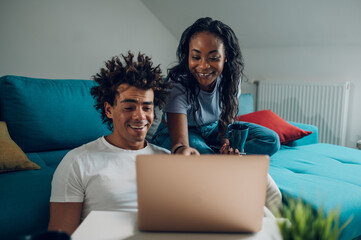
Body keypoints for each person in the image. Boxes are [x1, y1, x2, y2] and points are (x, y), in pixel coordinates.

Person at [151, 17, 281, 212]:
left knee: (271, 140)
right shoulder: (178, 83)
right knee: (199, 151)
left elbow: (226, 119)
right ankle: (226, 172)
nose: (204, 65)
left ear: (225, 56)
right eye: (196, 57)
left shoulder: (231, 78)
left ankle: (221, 162)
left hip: (212, 129)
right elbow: (181, 143)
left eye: (213, 57)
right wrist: (187, 152)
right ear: (188, 56)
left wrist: (226, 142)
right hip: (179, 133)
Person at [48, 52, 170, 234]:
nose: (140, 116)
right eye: (129, 107)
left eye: (147, 107)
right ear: (109, 110)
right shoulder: (77, 162)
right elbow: (61, 235)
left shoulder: (168, 159)